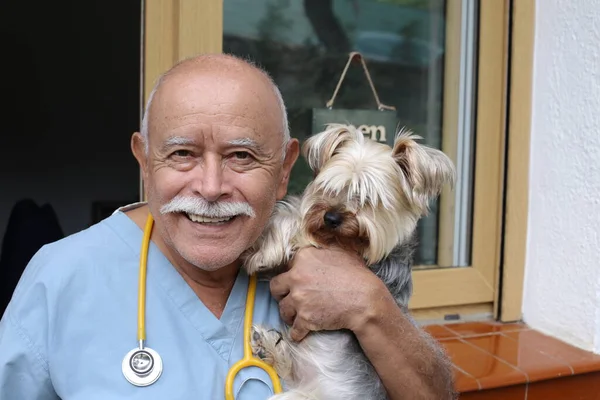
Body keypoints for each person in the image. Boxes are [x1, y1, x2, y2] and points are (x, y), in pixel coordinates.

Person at [0, 54, 455, 399]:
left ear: (284, 170)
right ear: (143, 160)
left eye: (241, 156)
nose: (211, 186)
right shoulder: (60, 276)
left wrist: (372, 306)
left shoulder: (337, 263)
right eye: (182, 154)